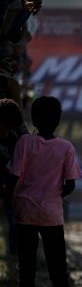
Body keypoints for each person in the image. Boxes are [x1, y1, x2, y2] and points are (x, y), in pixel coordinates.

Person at [6, 95, 82, 287]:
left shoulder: (25, 142)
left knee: (26, 272)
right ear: (58, 122)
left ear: (34, 120)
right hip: (52, 215)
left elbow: (12, 175)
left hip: (25, 213)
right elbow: (70, 184)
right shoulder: (65, 148)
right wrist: (55, 193)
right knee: (59, 273)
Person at [0, 97, 26, 257]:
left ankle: (15, 249)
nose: (10, 133)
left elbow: (15, 166)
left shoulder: (12, 138)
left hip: (6, 182)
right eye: (8, 129)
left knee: (13, 212)